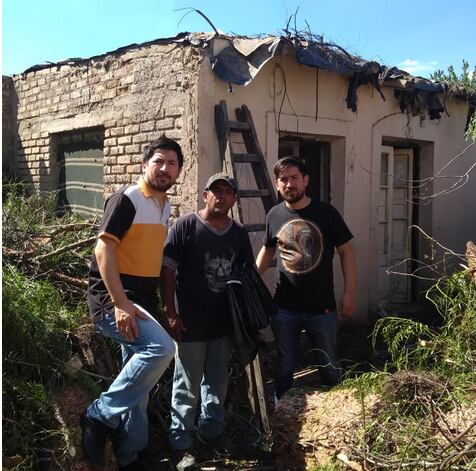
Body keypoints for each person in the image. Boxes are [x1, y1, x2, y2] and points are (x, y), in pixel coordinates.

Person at [81, 135, 184, 471]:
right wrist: (120, 303)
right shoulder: (127, 198)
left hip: (142, 300)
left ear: (179, 170)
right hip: (114, 299)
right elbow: (103, 249)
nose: (165, 168)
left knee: (139, 382)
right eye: (159, 161)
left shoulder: (164, 205)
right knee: (161, 349)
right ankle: (98, 415)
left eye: (172, 163)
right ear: (144, 165)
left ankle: (131, 456)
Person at [160, 173, 254, 469]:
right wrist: (170, 312)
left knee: (217, 382)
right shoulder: (185, 226)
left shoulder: (238, 233)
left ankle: (211, 433)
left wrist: (247, 318)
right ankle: (181, 444)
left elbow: (246, 276)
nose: (221, 196)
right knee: (186, 384)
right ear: (205, 195)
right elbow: (167, 271)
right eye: (216, 191)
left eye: (228, 192)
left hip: (224, 323)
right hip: (190, 322)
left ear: (233, 199)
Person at [256, 157, 356, 401]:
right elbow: (267, 250)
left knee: (329, 366)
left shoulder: (326, 212)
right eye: (283, 180)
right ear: (277, 185)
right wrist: (249, 281)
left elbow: (346, 251)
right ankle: (282, 414)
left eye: (294, 178)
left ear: (306, 181)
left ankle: (337, 412)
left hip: (321, 308)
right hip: (284, 308)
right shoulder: (274, 214)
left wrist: (350, 293)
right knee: (284, 367)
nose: (289, 184)